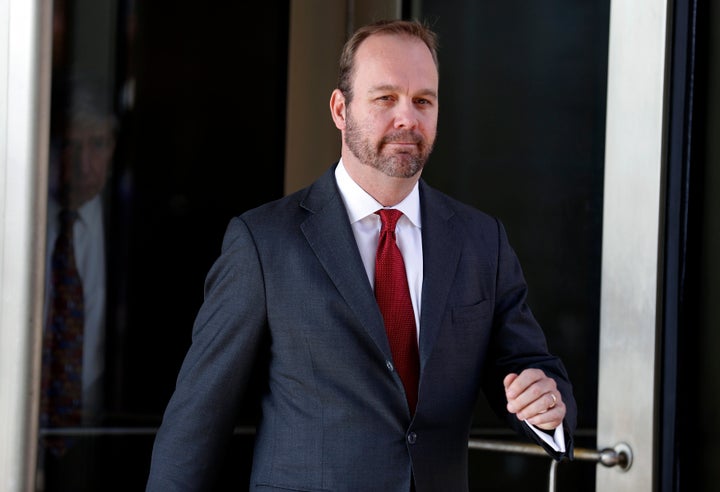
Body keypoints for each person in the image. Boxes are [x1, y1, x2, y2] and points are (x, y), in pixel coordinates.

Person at [146, 19, 577, 491]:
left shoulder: (481, 240)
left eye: (423, 101)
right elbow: (197, 421)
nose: (407, 118)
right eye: (385, 98)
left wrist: (547, 405)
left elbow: (529, 367)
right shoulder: (263, 243)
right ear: (340, 109)